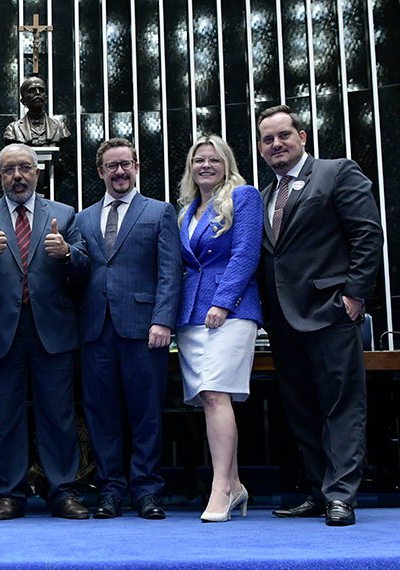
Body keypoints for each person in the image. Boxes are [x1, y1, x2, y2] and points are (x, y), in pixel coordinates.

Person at [256, 105, 383, 526]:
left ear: (302, 136)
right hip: (282, 321)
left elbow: (367, 234)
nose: (276, 144)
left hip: (330, 311)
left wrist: (354, 295)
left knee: (342, 406)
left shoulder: (336, 172)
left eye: (283, 136)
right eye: (267, 139)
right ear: (259, 148)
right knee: (302, 409)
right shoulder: (262, 197)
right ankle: (317, 489)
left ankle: (342, 495)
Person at [0, 143, 90, 520]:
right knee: (4, 415)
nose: (17, 176)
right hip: (1, 333)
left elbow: (83, 269)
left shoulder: (63, 214)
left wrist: (66, 253)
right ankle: (9, 494)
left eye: (24, 168)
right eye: (9, 169)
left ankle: (62, 491)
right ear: (0, 176)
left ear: (37, 172)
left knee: (58, 414)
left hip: (52, 331)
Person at [75, 138, 182, 520]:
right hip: (94, 331)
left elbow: (171, 270)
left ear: (136, 166)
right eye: (111, 166)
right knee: (101, 414)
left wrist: (163, 320)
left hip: (144, 329)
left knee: (146, 413)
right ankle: (110, 490)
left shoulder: (159, 211)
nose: (119, 172)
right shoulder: (82, 218)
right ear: (100, 171)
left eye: (126, 164)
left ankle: (147, 491)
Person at [174, 135, 263, 522]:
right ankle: (237, 484)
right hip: (191, 315)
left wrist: (222, 302)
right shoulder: (186, 210)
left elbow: (246, 253)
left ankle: (221, 488)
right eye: (198, 160)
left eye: (213, 159)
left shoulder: (244, 197)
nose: (205, 165)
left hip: (231, 310)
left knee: (214, 394)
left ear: (226, 163)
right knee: (210, 401)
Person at [3, 76, 70, 147]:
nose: (37, 93)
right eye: (32, 91)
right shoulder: (13, 129)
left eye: (41, 90)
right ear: (23, 101)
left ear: (46, 98)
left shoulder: (60, 127)